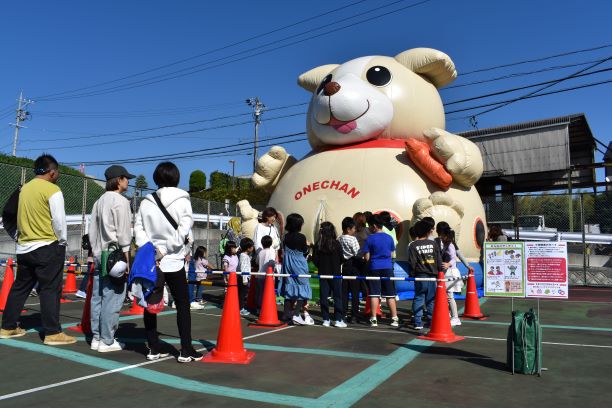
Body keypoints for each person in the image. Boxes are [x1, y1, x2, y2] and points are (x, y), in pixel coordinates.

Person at [0, 154, 76, 345]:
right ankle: (52, 333)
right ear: (51, 172)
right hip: (47, 246)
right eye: (57, 172)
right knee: (50, 289)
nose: (57, 175)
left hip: (24, 247)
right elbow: (59, 221)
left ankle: (8, 327)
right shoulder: (52, 190)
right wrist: (63, 241)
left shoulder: (24, 189)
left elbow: (12, 213)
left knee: (20, 287)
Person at [134, 161, 202, 362]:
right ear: (176, 177)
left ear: (156, 178)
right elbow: (183, 229)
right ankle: (186, 349)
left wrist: (151, 250)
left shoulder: (146, 201)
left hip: (152, 262)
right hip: (174, 260)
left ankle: (153, 348)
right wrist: (165, 249)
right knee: (182, 304)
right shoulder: (183, 200)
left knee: (150, 303)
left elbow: (138, 228)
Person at [87, 165, 135, 352]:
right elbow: (124, 233)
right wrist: (127, 258)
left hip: (99, 253)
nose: (128, 182)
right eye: (126, 178)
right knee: (113, 298)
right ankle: (107, 340)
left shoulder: (99, 201)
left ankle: (97, 337)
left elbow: (91, 230)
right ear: (119, 180)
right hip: (115, 255)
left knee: (97, 297)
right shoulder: (121, 201)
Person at [362, 215, 398, 328]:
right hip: (387, 267)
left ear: (374, 226)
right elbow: (392, 253)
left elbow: (367, 258)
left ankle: (373, 319)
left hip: (374, 267)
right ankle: (394, 318)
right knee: (390, 295)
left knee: (374, 294)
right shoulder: (389, 238)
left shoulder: (370, 238)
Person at [408, 220, 442, 331]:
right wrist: (439, 273)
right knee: (431, 300)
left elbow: (412, 262)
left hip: (420, 276)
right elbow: (438, 260)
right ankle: (431, 321)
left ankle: (417, 322)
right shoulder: (433, 244)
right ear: (427, 232)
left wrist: (411, 275)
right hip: (432, 276)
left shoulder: (413, 245)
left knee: (419, 298)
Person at [279, 213, 312, 325]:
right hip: (299, 264)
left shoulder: (286, 237)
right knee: (303, 289)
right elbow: (304, 252)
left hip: (288, 264)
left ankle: (286, 313)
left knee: (290, 288)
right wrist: (308, 246)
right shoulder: (301, 237)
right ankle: (297, 314)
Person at [312, 222, 346, 328]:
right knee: (337, 297)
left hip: (323, 274)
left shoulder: (318, 244)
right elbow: (342, 258)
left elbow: (315, 260)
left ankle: (326, 319)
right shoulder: (336, 243)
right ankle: (338, 319)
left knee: (324, 296)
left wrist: (321, 266)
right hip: (335, 273)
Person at [435, 223, 464, 327]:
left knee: (449, 296)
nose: (440, 236)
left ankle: (455, 317)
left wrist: (448, 264)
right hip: (444, 272)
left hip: (450, 272)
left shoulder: (450, 244)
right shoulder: (439, 242)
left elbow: (453, 257)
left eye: (442, 234)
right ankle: (447, 315)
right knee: (444, 296)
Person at [338, 217, 361, 323]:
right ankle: (354, 315)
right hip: (354, 265)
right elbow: (357, 253)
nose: (354, 230)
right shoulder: (353, 239)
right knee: (355, 292)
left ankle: (343, 313)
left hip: (344, 265)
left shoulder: (339, 238)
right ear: (348, 229)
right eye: (353, 228)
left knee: (344, 291)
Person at [256, 235, 276, 309]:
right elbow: (271, 263)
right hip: (268, 276)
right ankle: (266, 308)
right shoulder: (271, 251)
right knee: (268, 293)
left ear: (262, 243)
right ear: (271, 243)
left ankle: (259, 308)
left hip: (259, 275)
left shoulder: (260, 252)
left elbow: (257, 262)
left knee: (260, 293)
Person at [188, 246, 211, 310]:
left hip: (197, 275)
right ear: (202, 253)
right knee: (200, 288)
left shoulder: (195, 259)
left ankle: (198, 298)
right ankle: (199, 299)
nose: (206, 254)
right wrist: (215, 269)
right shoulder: (203, 260)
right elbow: (209, 265)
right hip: (202, 276)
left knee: (198, 287)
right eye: (205, 252)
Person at [238, 238, 255, 316]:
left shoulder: (244, 255)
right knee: (242, 294)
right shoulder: (244, 256)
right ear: (248, 248)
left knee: (242, 294)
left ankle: (241, 307)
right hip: (243, 278)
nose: (253, 248)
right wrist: (245, 279)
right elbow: (243, 268)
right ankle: (241, 309)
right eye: (252, 246)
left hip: (243, 277)